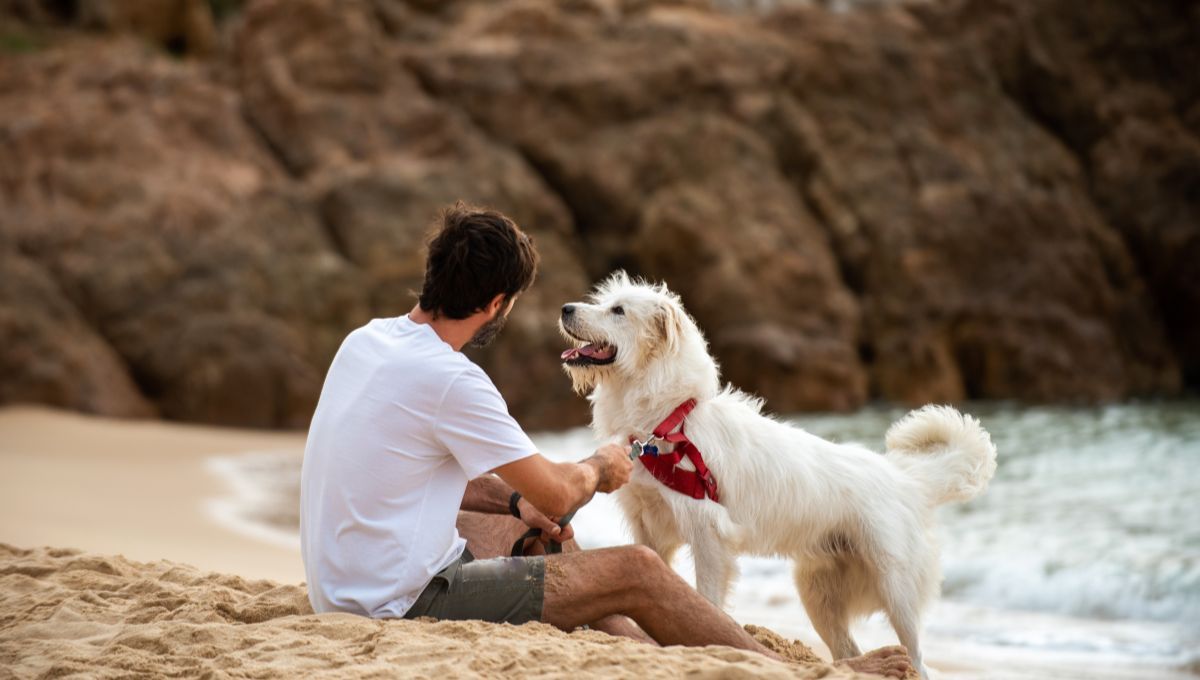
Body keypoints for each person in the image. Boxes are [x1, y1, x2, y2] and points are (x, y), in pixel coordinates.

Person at [299, 203, 911, 678]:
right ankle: (780, 669)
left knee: (536, 537)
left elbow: (432, 475)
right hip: (404, 602)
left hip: (342, 583)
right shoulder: (454, 381)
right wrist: (599, 464)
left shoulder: (368, 340)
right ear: (495, 303)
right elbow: (563, 494)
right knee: (637, 567)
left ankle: (647, 648)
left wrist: (517, 503)